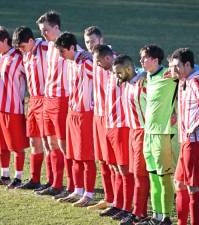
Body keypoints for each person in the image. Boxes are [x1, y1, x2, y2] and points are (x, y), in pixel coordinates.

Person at [169, 48, 199, 225]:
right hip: (187, 141)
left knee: (193, 185)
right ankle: (183, 222)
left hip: (196, 141)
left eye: (176, 67)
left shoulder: (194, 81)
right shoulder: (184, 78)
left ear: (188, 65)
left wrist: (193, 125)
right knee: (180, 183)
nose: (173, 71)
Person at [54, 32, 97, 207]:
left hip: (86, 114)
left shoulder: (87, 63)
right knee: (73, 155)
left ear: (72, 48)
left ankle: (89, 193)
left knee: (86, 156)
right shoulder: (71, 62)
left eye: (62, 51)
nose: (60, 56)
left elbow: (105, 75)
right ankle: (77, 190)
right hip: (72, 113)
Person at [35, 11, 74, 198]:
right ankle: (55, 183)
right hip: (47, 99)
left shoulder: (68, 46)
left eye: (46, 30)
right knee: (50, 143)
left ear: (57, 28)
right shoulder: (48, 45)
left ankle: (73, 185)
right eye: (41, 31)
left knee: (63, 145)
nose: (44, 34)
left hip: (61, 99)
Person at [0, 25, 29, 188]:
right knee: (1, 145)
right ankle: (4, 176)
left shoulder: (18, 57)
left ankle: (18, 178)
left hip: (13, 109)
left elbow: (30, 76)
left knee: (16, 146)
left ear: (6, 40)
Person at [93, 47, 134, 222]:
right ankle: (118, 204)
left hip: (122, 126)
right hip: (109, 125)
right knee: (114, 167)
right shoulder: (110, 73)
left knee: (124, 168)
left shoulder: (124, 72)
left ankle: (128, 207)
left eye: (99, 60)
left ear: (108, 58)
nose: (97, 64)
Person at [140, 44, 177, 225]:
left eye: (144, 58)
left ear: (155, 60)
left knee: (164, 178)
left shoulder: (169, 75)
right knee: (153, 177)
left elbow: (191, 73)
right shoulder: (147, 75)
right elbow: (137, 69)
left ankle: (167, 217)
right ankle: (156, 216)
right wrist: (140, 73)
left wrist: (176, 110)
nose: (141, 61)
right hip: (148, 135)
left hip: (163, 134)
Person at [111, 55, 150, 225]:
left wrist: (145, 74)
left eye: (118, 73)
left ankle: (139, 214)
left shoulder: (144, 82)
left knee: (141, 175)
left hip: (144, 132)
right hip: (133, 133)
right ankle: (139, 212)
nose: (116, 77)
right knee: (136, 174)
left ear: (128, 69)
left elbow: (165, 73)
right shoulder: (128, 82)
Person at [11, 26, 50, 190]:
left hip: (47, 99)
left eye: (22, 46)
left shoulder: (47, 48)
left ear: (31, 41)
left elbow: (67, 46)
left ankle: (52, 181)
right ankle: (35, 180)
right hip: (33, 100)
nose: (21, 50)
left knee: (49, 143)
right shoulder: (25, 53)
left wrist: (82, 52)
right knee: (34, 140)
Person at [83, 26, 115, 211]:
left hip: (111, 118)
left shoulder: (112, 59)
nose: (89, 45)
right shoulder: (92, 60)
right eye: (87, 42)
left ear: (101, 40)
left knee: (114, 162)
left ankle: (119, 201)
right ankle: (109, 198)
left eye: (93, 41)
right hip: (98, 116)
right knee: (102, 159)